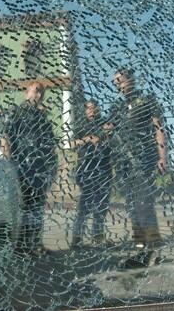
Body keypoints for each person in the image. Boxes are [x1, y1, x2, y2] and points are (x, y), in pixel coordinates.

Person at [108, 67, 168, 268]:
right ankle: (140, 248)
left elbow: (158, 128)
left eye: (121, 80)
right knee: (132, 206)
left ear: (131, 80)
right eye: (116, 82)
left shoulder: (147, 101)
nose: (119, 85)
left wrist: (162, 157)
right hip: (124, 163)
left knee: (144, 204)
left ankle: (156, 249)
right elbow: (108, 128)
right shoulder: (117, 107)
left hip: (143, 160)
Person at [1, 82, 58, 255]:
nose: (39, 95)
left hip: (39, 170)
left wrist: (52, 169)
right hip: (22, 168)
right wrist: (10, 164)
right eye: (37, 91)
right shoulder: (16, 112)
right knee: (22, 207)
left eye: (42, 93)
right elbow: (5, 138)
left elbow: (50, 146)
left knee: (37, 209)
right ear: (27, 93)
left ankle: (34, 244)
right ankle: (20, 247)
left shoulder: (43, 118)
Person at [70, 99, 113, 248]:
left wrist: (109, 132)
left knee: (102, 205)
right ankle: (76, 238)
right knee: (85, 205)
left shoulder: (105, 123)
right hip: (86, 169)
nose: (92, 111)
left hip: (104, 168)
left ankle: (98, 237)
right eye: (89, 108)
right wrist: (88, 138)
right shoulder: (81, 125)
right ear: (85, 110)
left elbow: (113, 139)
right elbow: (71, 144)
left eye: (95, 108)